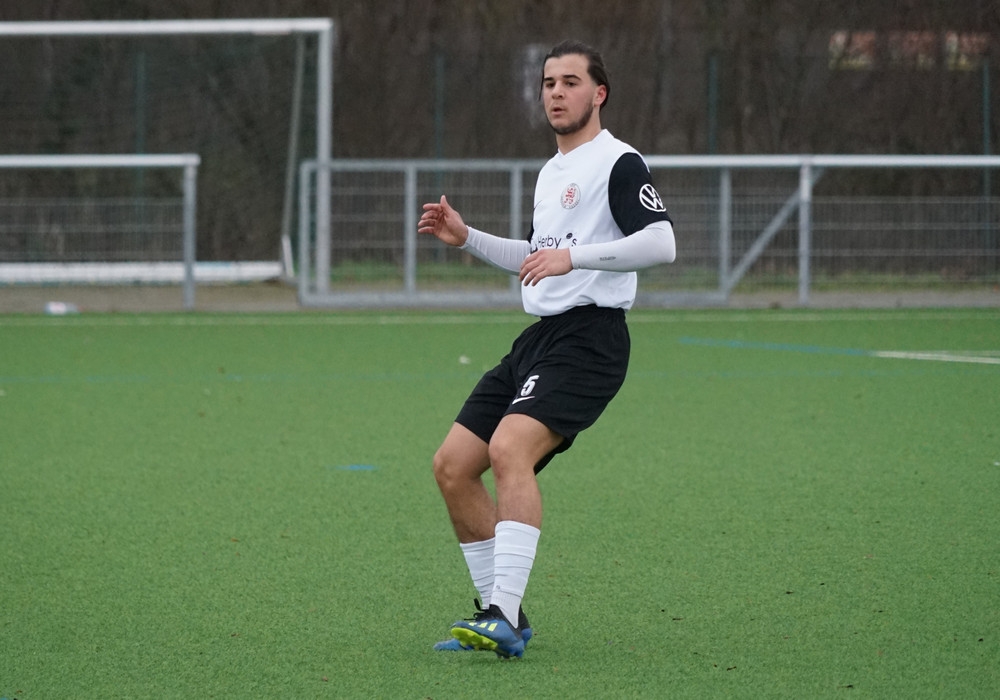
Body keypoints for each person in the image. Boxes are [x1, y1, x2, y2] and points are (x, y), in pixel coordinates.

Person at [417, 39, 676, 659]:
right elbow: (537, 258)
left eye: (570, 82)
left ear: (599, 93)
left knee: (509, 448)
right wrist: (468, 237)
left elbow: (661, 243)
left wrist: (575, 256)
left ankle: (502, 617)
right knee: (452, 466)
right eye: (548, 83)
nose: (556, 93)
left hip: (591, 340)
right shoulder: (550, 172)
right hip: (538, 339)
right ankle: (501, 614)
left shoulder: (619, 162)